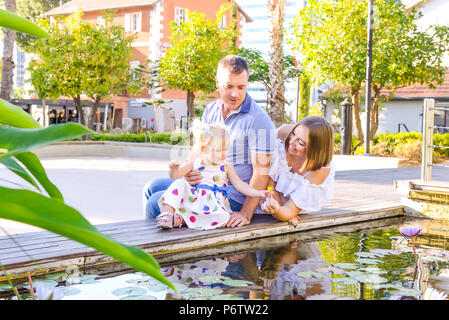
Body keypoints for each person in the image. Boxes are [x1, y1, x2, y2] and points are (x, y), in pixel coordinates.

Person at [144, 55, 276, 227]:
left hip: (229, 193)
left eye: (241, 87)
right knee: (151, 187)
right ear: (217, 83)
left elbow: (261, 172)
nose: (235, 94)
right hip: (204, 179)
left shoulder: (259, 119)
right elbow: (200, 147)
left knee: (156, 201)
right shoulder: (211, 109)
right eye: (229, 86)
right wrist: (187, 172)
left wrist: (245, 213)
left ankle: (156, 248)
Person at [155, 120, 270, 230]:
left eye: (226, 149)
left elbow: (240, 185)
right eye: (220, 150)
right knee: (179, 183)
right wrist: (173, 169)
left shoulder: (226, 166)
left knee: (224, 217)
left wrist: (257, 193)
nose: (224, 154)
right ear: (204, 148)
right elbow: (175, 175)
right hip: (193, 200)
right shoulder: (196, 162)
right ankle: (167, 216)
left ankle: (182, 220)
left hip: (213, 206)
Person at [261, 116, 335, 226]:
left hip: (293, 203)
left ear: (314, 150)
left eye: (300, 142)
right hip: (267, 188)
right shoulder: (284, 133)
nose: (291, 141)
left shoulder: (318, 172)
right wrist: (277, 203)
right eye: (294, 133)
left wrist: (278, 210)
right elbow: (269, 178)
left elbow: (289, 211)